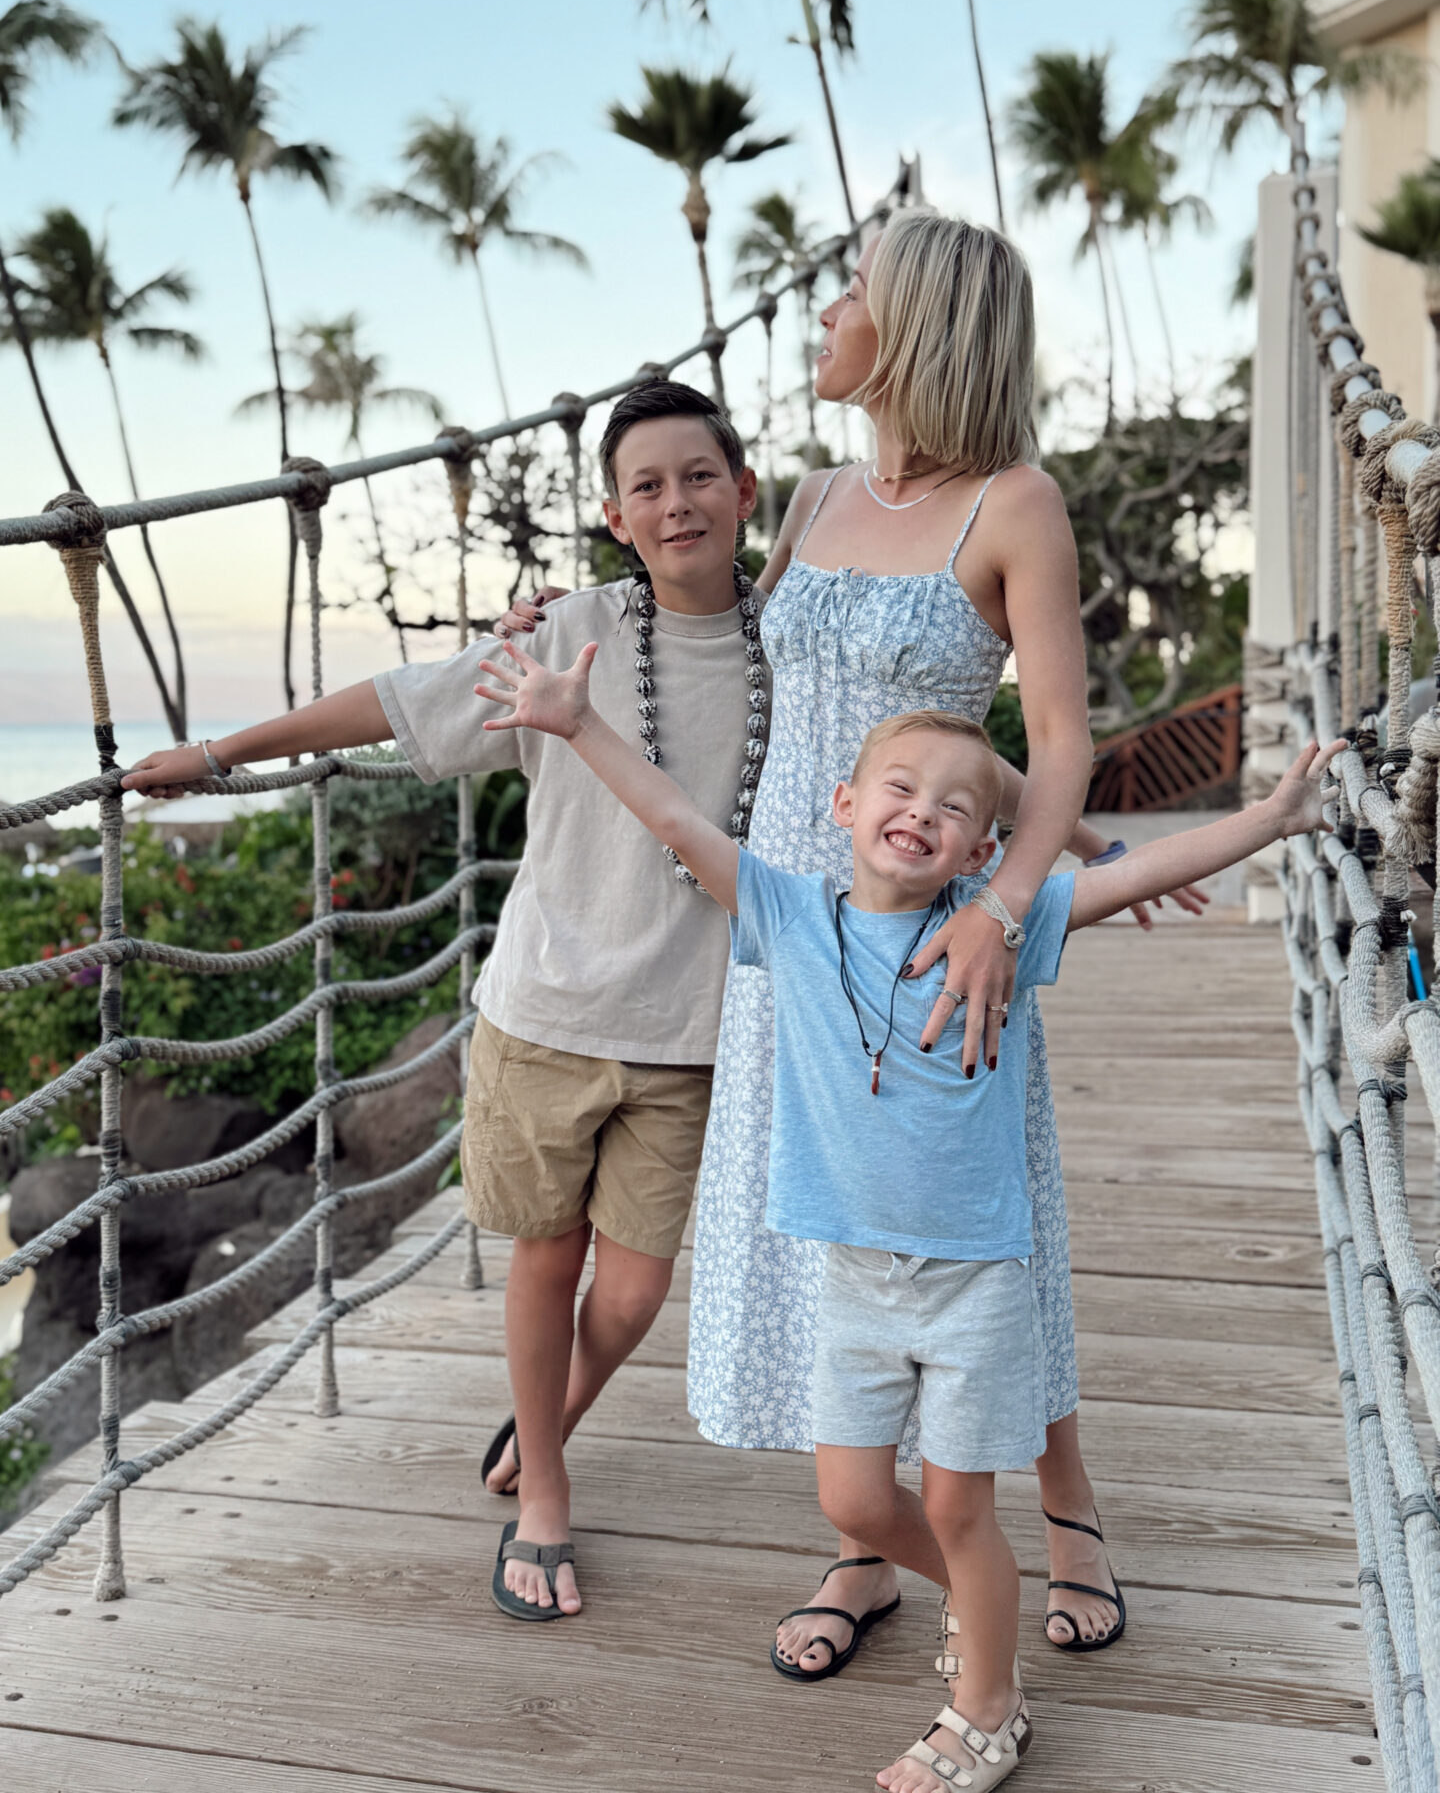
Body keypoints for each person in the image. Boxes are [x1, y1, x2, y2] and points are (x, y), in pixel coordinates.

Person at [499, 210, 1205, 1668]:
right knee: (837, 1234)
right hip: (792, 936)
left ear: (919, 326)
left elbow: (1055, 743)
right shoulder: (814, 494)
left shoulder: (1015, 504)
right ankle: (861, 1548)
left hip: (948, 937)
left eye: (852, 294)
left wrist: (1019, 897)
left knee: (983, 1230)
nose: (824, 313)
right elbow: (730, 660)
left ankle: (1066, 1511)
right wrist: (568, 618)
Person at [473, 632, 1342, 1789]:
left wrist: (1272, 819)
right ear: (840, 804)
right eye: (898, 789)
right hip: (853, 1285)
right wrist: (577, 724)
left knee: (959, 1503)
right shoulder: (787, 915)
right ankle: (982, 1611)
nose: (920, 814)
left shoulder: (1004, 926)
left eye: (953, 808)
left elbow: (1133, 874)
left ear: (986, 846)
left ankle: (987, 1710)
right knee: (852, 1497)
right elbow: (679, 823)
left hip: (975, 1280)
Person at [122, 378, 770, 1624]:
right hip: (545, 1011)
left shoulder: (795, 639)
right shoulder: (566, 630)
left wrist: (1061, 841)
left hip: (693, 1028)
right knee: (546, 1258)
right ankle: (545, 1495)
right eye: (647, 485)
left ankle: (547, 1419)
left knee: (632, 1295)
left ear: (744, 492)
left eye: (700, 476)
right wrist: (218, 756)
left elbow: (920, 744)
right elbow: (397, 700)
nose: (677, 502)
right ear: (614, 517)